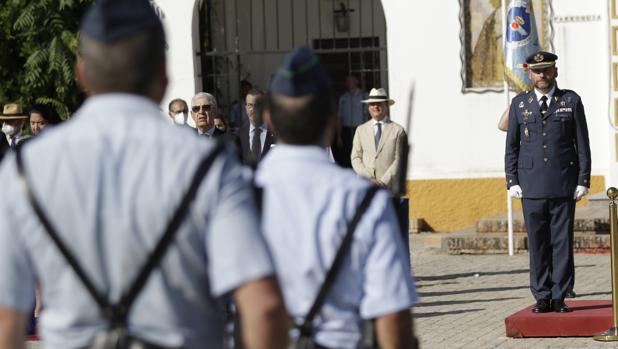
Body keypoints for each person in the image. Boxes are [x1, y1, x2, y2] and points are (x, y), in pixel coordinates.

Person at [0, 1, 288, 348]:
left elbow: (7, 317)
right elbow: (263, 305)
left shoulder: (25, 168)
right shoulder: (209, 164)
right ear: (163, 73)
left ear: (82, 73)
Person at [256, 47, 418, 349]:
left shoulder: (242, 196)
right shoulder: (364, 202)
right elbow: (392, 313)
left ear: (269, 120)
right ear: (333, 122)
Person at [505, 51, 591, 313]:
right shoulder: (520, 104)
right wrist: (512, 180)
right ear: (529, 73)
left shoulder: (570, 101)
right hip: (530, 185)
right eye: (537, 71)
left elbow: (582, 144)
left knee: (562, 242)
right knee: (538, 243)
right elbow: (512, 146)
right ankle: (542, 295)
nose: (542, 75)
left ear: (555, 71)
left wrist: (583, 179)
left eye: (546, 70)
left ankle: (559, 296)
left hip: (563, 183)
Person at [351, 88, 407, 195]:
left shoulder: (398, 130)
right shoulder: (360, 130)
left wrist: (383, 182)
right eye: (372, 104)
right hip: (366, 187)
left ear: (386, 105)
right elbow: (355, 157)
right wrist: (369, 179)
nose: (375, 106)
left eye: (379, 104)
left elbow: (400, 159)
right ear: (368, 107)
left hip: (390, 188)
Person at [235, 89, 275, 167]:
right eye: (250, 105)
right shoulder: (238, 136)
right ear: (246, 108)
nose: (253, 109)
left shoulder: (277, 134)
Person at [336, 74, 368, 168]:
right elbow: (339, 118)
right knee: (348, 153)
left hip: (361, 129)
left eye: (352, 80)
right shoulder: (343, 98)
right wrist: (339, 136)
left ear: (357, 82)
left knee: (362, 153)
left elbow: (370, 115)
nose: (349, 83)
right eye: (347, 81)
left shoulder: (364, 96)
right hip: (347, 131)